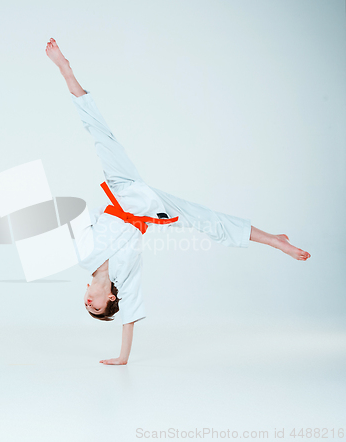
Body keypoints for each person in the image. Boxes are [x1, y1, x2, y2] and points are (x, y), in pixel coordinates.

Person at [45, 38, 311, 366]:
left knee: (101, 134)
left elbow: (79, 214)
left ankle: (66, 70)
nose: (89, 303)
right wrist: (123, 357)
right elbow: (130, 313)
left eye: (87, 306)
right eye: (96, 307)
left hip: (123, 189)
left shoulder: (83, 256)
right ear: (110, 296)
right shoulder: (125, 277)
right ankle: (274, 239)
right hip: (148, 209)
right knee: (206, 220)